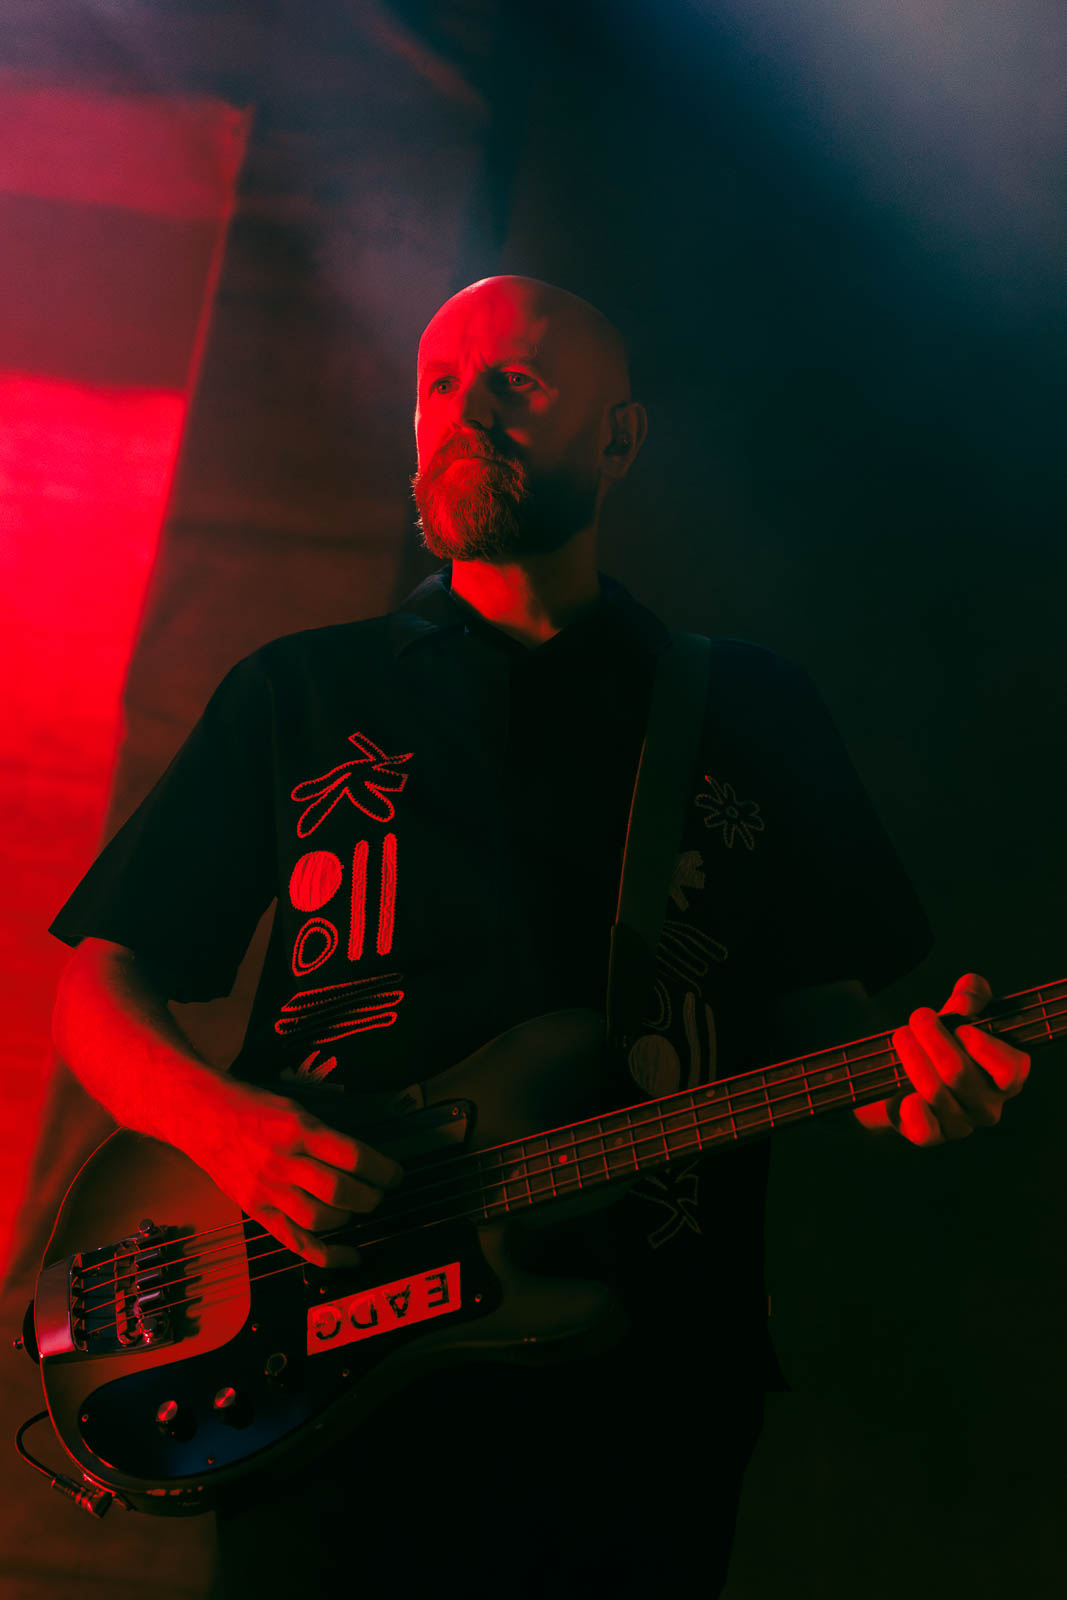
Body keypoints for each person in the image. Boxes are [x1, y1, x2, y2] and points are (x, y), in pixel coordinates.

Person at [49, 276, 1030, 1597]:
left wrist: (907, 1083)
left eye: (515, 380)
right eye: (440, 384)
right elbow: (101, 982)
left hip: (644, 1371)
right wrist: (226, 1131)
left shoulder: (749, 707)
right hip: (313, 1355)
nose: (466, 412)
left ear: (619, 438)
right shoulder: (302, 689)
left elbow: (819, 1014)